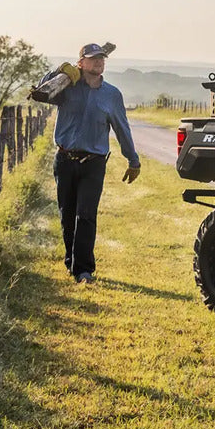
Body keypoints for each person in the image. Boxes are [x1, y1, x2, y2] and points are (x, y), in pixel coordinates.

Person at [41, 43, 141, 283]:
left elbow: (121, 128)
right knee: (67, 214)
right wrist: (59, 72)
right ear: (81, 63)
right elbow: (42, 91)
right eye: (93, 58)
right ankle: (71, 261)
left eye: (101, 58)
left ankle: (84, 270)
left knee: (85, 215)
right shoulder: (68, 88)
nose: (99, 62)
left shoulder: (112, 94)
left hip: (94, 163)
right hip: (65, 160)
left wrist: (133, 160)